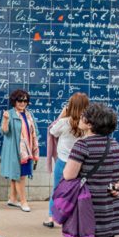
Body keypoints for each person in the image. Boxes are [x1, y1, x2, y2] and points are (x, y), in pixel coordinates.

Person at [63, 103, 119, 237]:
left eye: (83, 116)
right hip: (110, 206)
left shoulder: (82, 145)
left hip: (89, 207)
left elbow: (68, 175)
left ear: (90, 123)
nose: (80, 118)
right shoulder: (114, 145)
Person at [44, 92, 90, 228]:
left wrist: (62, 115)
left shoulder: (64, 122)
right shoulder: (87, 125)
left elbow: (52, 131)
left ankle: (51, 218)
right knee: (78, 191)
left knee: (57, 190)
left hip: (63, 161)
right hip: (80, 163)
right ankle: (74, 219)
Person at [0, 89, 39, 212]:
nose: (22, 103)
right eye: (20, 100)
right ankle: (23, 201)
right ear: (14, 101)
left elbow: (34, 131)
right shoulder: (9, 114)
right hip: (15, 150)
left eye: (25, 100)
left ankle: (12, 199)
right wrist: (6, 119)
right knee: (19, 176)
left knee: (17, 175)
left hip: (26, 150)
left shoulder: (29, 114)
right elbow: (4, 132)